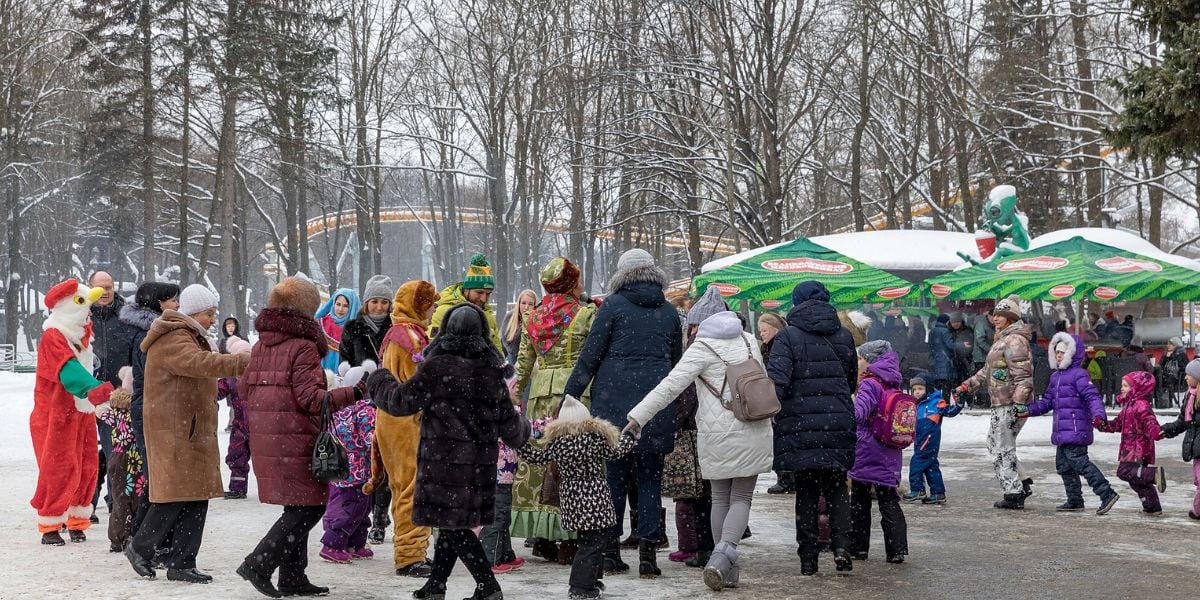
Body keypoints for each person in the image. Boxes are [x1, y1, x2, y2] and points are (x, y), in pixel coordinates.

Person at [367, 303, 531, 600]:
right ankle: (436, 585)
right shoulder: (491, 374)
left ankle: (488, 587)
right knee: (451, 524)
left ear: (445, 331)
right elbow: (513, 430)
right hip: (477, 469)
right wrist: (526, 427)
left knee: (452, 526)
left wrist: (380, 378)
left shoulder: (436, 368)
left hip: (442, 468)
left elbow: (399, 402)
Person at [627, 310, 774, 591]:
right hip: (754, 425)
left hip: (717, 435)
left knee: (720, 498)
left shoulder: (700, 348)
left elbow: (669, 387)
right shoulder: (748, 340)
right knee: (742, 497)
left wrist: (638, 417)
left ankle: (722, 560)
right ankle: (726, 563)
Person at [236, 277, 363, 597]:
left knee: (297, 504)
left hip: (270, 437)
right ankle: (259, 564)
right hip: (296, 437)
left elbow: (243, 388)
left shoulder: (261, 343)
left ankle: (293, 577)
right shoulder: (303, 346)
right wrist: (355, 392)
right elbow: (312, 400)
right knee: (308, 507)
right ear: (306, 309)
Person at [563, 249, 683, 579]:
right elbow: (676, 367)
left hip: (614, 407)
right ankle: (648, 555)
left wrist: (570, 394)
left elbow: (590, 356)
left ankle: (609, 553)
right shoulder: (670, 313)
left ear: (622, 274)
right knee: (649, 480)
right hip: (654, 407)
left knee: (613, 478)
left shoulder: (612, 307)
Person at [126, 284, 249, 583]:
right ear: (194, 312)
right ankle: (140, 547)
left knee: (196, 496)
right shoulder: (174, 337)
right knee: (174, 495)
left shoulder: (189, 335)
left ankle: (182, 562)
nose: (212, 319)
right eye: (209, 313)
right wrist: (245, 361)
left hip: (189, 429)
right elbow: (199, 364)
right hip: (176, 430)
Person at [766, 280, 857, 576]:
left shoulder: (787, 337)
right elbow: (851, 379)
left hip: (800, 423)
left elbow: (777, 381)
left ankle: (808, 558)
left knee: (805, 492)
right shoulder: (843, 335)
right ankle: (842, 547)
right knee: (837, 488)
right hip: (838, 419)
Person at [511, 257, 598, 564]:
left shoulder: (532, 317)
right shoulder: (586, 314)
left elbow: (523, 365)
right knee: (573, 464)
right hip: (575, 396)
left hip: (540, 397)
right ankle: (570, 539)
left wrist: (515, 396)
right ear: (570, 283)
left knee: (540, 463)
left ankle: (542, 538)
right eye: (578, 280)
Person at [519, 397, 638, 599]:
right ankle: (581, 587)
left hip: (571, 497)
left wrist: (519, 444)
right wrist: (631, 437)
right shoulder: (594, 439)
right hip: (594, 496)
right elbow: (616, 452)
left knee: (586, 540)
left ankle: (591, 580)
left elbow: (536, 458)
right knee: (594, 543)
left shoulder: (558, 442)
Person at [30, 279, 117, 545]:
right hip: (56, 413)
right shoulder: (54, 336)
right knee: (59, 466)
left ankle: (77, 518)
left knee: (87, 463)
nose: (88, 314)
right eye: (84, 306)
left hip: (81, 411)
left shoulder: (80, 338)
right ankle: (50, 522)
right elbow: (69, 371)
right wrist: (97, 390)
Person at [372, 280, 439, 577]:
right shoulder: (408, 336)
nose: (434, 308)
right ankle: (410, 556)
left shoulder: (401, 331)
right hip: (404, 421)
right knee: (411, 487)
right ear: (419, 304)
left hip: (395, 418)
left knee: (405, 486)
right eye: (430, 303)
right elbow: (418, 383)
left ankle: (411, 551)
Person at [1022, 332, 1119, 514]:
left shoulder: (1079, 375)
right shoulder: (1055, 377)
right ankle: (1074, 499)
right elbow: (1047, 402)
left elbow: (1093, 396)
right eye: (1056, 352)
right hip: (1062, 432)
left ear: (1072, 354)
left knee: (1080, 463)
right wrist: (1028, 410)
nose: (1059, 356)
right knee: (1063, 466)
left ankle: (1106, 493)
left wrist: (1099, 416)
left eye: (1062, 353)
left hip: (1076, 429)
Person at [957, 295, 1035, 510]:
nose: (995, 318)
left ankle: (1014, 493)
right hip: (1000, 402)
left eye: (1001, 314)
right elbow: (988, 371)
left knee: (1003, 448)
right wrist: (966, 385)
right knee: (995, 444)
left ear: (1011, 317)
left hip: (1010, 403)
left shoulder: (1015, 340)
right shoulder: (1002, 338)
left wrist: (1019, 403)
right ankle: (1022, 481)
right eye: (995, 314)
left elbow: (1023, 376)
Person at [847, 341, 908, 564]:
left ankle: (858, 547)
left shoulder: (870, 383)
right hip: (889, 448)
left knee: (860, 499)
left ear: (870, 360)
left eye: (861, 358)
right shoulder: (893, 381)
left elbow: (859, 414)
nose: (859, 362)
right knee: (889, 498)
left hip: (867, 447)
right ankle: (897, 549)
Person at [87, 271, 134, 524]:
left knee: (114, 450)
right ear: (90, 288)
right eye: (100, 287)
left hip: (115, 397)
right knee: (85, 453)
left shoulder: (125, 316)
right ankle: (85, 504)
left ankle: (115, 501)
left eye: (110, 286)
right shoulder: (81, 315)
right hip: (84, 395)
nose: (106, 292)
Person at [320, 366, 377, 564]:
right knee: (355, 508)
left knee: (357, 506)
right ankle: (333, 544)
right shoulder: (365, 409)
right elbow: (371, 439)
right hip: (360, 470)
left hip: (341, 467)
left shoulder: (339, 406)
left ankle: (355, 543)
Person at [1096, 371, 1165, 515]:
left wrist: (1156, 431)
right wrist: (1101, 425)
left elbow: (1150, 421)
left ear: (1136, 388)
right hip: (1130, 448)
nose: (1122, 388)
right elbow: (1117, 424)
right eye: (1122, 385)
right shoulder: (1128, 406)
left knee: (1124, 472)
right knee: (1137, 481)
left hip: (1138, 448)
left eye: (1126, 386)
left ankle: (1153, 474)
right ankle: (1152, 507)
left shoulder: (1141, 405)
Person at [98, 367, 142, 552]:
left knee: (120, 498)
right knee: (137, 497)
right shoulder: (139, 410)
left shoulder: (114, 412)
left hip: (118, 458)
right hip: (135, 458)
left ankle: (117, 537)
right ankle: (132, 534)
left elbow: (99, 411)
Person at [903, 374, 961, 504]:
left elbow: (949, 411)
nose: (917, 392)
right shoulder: (916, 405)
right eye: (914, 389)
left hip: (929, 440)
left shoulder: (935, 402)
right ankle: (938, 493)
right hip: (920, 439)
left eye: (920, 389)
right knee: (931, 466)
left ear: (928, 389)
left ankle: (918, 490)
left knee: (916, 463)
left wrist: (957, 405)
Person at [430, 252, 504, 353]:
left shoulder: (488, 315)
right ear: (467, 289)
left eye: (488, 294)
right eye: (479, 292)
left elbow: (497, 351)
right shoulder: (443, 312)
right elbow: (431, 351)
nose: (483, 299)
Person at [758, 312, 793, 496]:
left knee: (782, 439)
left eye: (764, 330)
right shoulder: (767, 347)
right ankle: (785, 477)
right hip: (780, 399)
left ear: (775, 329)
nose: (761, 334)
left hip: (781, 400)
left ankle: (786, 478)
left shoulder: (778, 347)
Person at [1161, 358, 1200, 519]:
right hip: (1197, 448)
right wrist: (1164, 430)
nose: (1185, 377)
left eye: (1189, 374)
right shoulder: (1190, 397)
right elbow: (1183, 422)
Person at [218, 317, 252, 499]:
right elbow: (218, 390)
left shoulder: (257, 377)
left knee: (264, 459)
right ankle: (238, 487)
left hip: (258, 424)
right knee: (236, 454)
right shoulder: (231, 377)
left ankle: (274, 488)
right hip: (240, 424)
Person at [341, 275, 394, 368]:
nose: (379, 307)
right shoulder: (352, 328)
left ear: (390, 304)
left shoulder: (396, 327)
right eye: (374, 301)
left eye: (384, 302)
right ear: (366, 302)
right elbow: (345, 363)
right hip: (360, 381)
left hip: (390, 381)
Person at [315, 288, 362, 372]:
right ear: (333, 304)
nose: (340, 309)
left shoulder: (358, 330)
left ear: (352, 307)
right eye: (338, 304)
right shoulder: (322, 323)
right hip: (322, 373)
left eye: (345, 306)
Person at [501, 289, 538, 362]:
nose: (526, 307)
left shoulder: (539, 321)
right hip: (513, 360)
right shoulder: (510, 318)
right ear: (519, 304)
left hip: (533, 362)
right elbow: (504, 343)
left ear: (535, 306)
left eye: (530, 304)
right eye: (523, 303)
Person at [929, 314, 956, 394]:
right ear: (947, 322)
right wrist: (961, 345)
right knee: (946, 386)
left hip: (935, 361)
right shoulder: (945, 331)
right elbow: (950, 345)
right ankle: (945, 403)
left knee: (936, 386)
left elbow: (930, 345)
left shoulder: (932, 331)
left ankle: (936, 402)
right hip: (945, 361)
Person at [1162, 337, 1190, 402]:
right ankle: (1163, 399)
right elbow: (1161, 365)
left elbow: (1186, 366)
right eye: (1168, 344)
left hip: (1178, 377)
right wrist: (1166, 357)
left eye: (1170, 344)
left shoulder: (1181, 354)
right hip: (1166, 375)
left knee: (1165, 379)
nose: (1168, 346)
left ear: (1176, 345)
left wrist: (1173, 356)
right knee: (1156, 378)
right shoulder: (1166, 353)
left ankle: (1168, 400)